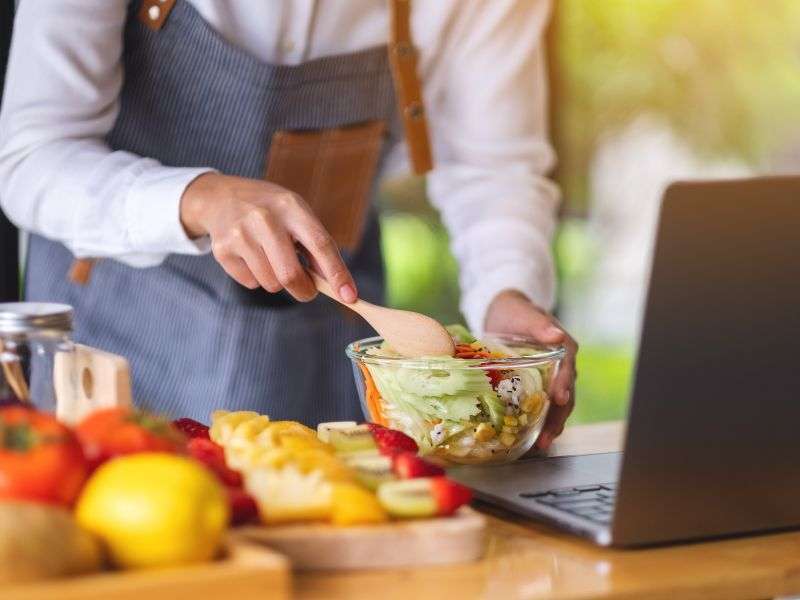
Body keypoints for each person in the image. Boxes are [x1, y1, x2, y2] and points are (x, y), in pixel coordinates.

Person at [0, 0, 577, 449]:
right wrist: (200, 197)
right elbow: (29, 158)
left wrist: (508, 291)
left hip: (322, 337)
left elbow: (494, 168)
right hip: (114, 330)